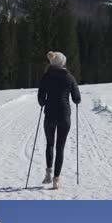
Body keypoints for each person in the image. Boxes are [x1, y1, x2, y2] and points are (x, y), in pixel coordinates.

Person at [37, 51, 82, 189]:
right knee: (60, 147)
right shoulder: (70, 78)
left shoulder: (46, 76)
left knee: (50, 144)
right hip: (64, 115)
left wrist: (44, 102)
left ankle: (48, 174)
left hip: (49, 114)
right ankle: (56, 180)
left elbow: (41, 98)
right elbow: (77, 99)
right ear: (63, 63)